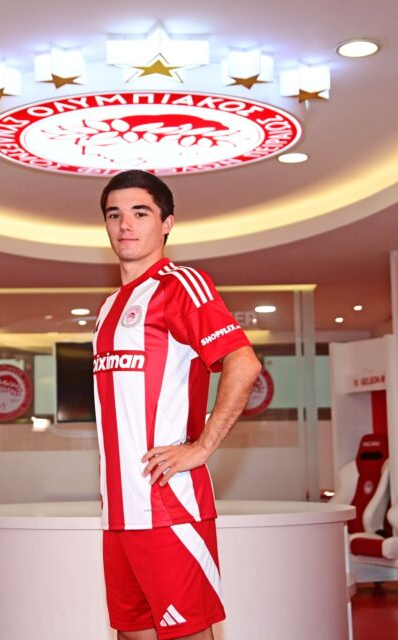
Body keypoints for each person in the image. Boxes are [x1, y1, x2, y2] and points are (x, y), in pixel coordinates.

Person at [92, 169, 262, 640]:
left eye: (140, 213)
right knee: (132, 634)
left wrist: (201, 447)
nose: (125, 224)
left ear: (166, 223)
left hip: (170, 507)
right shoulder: (108, 308)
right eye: (114, 214)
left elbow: (243, 363)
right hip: (118, 513)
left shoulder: (181, 284)